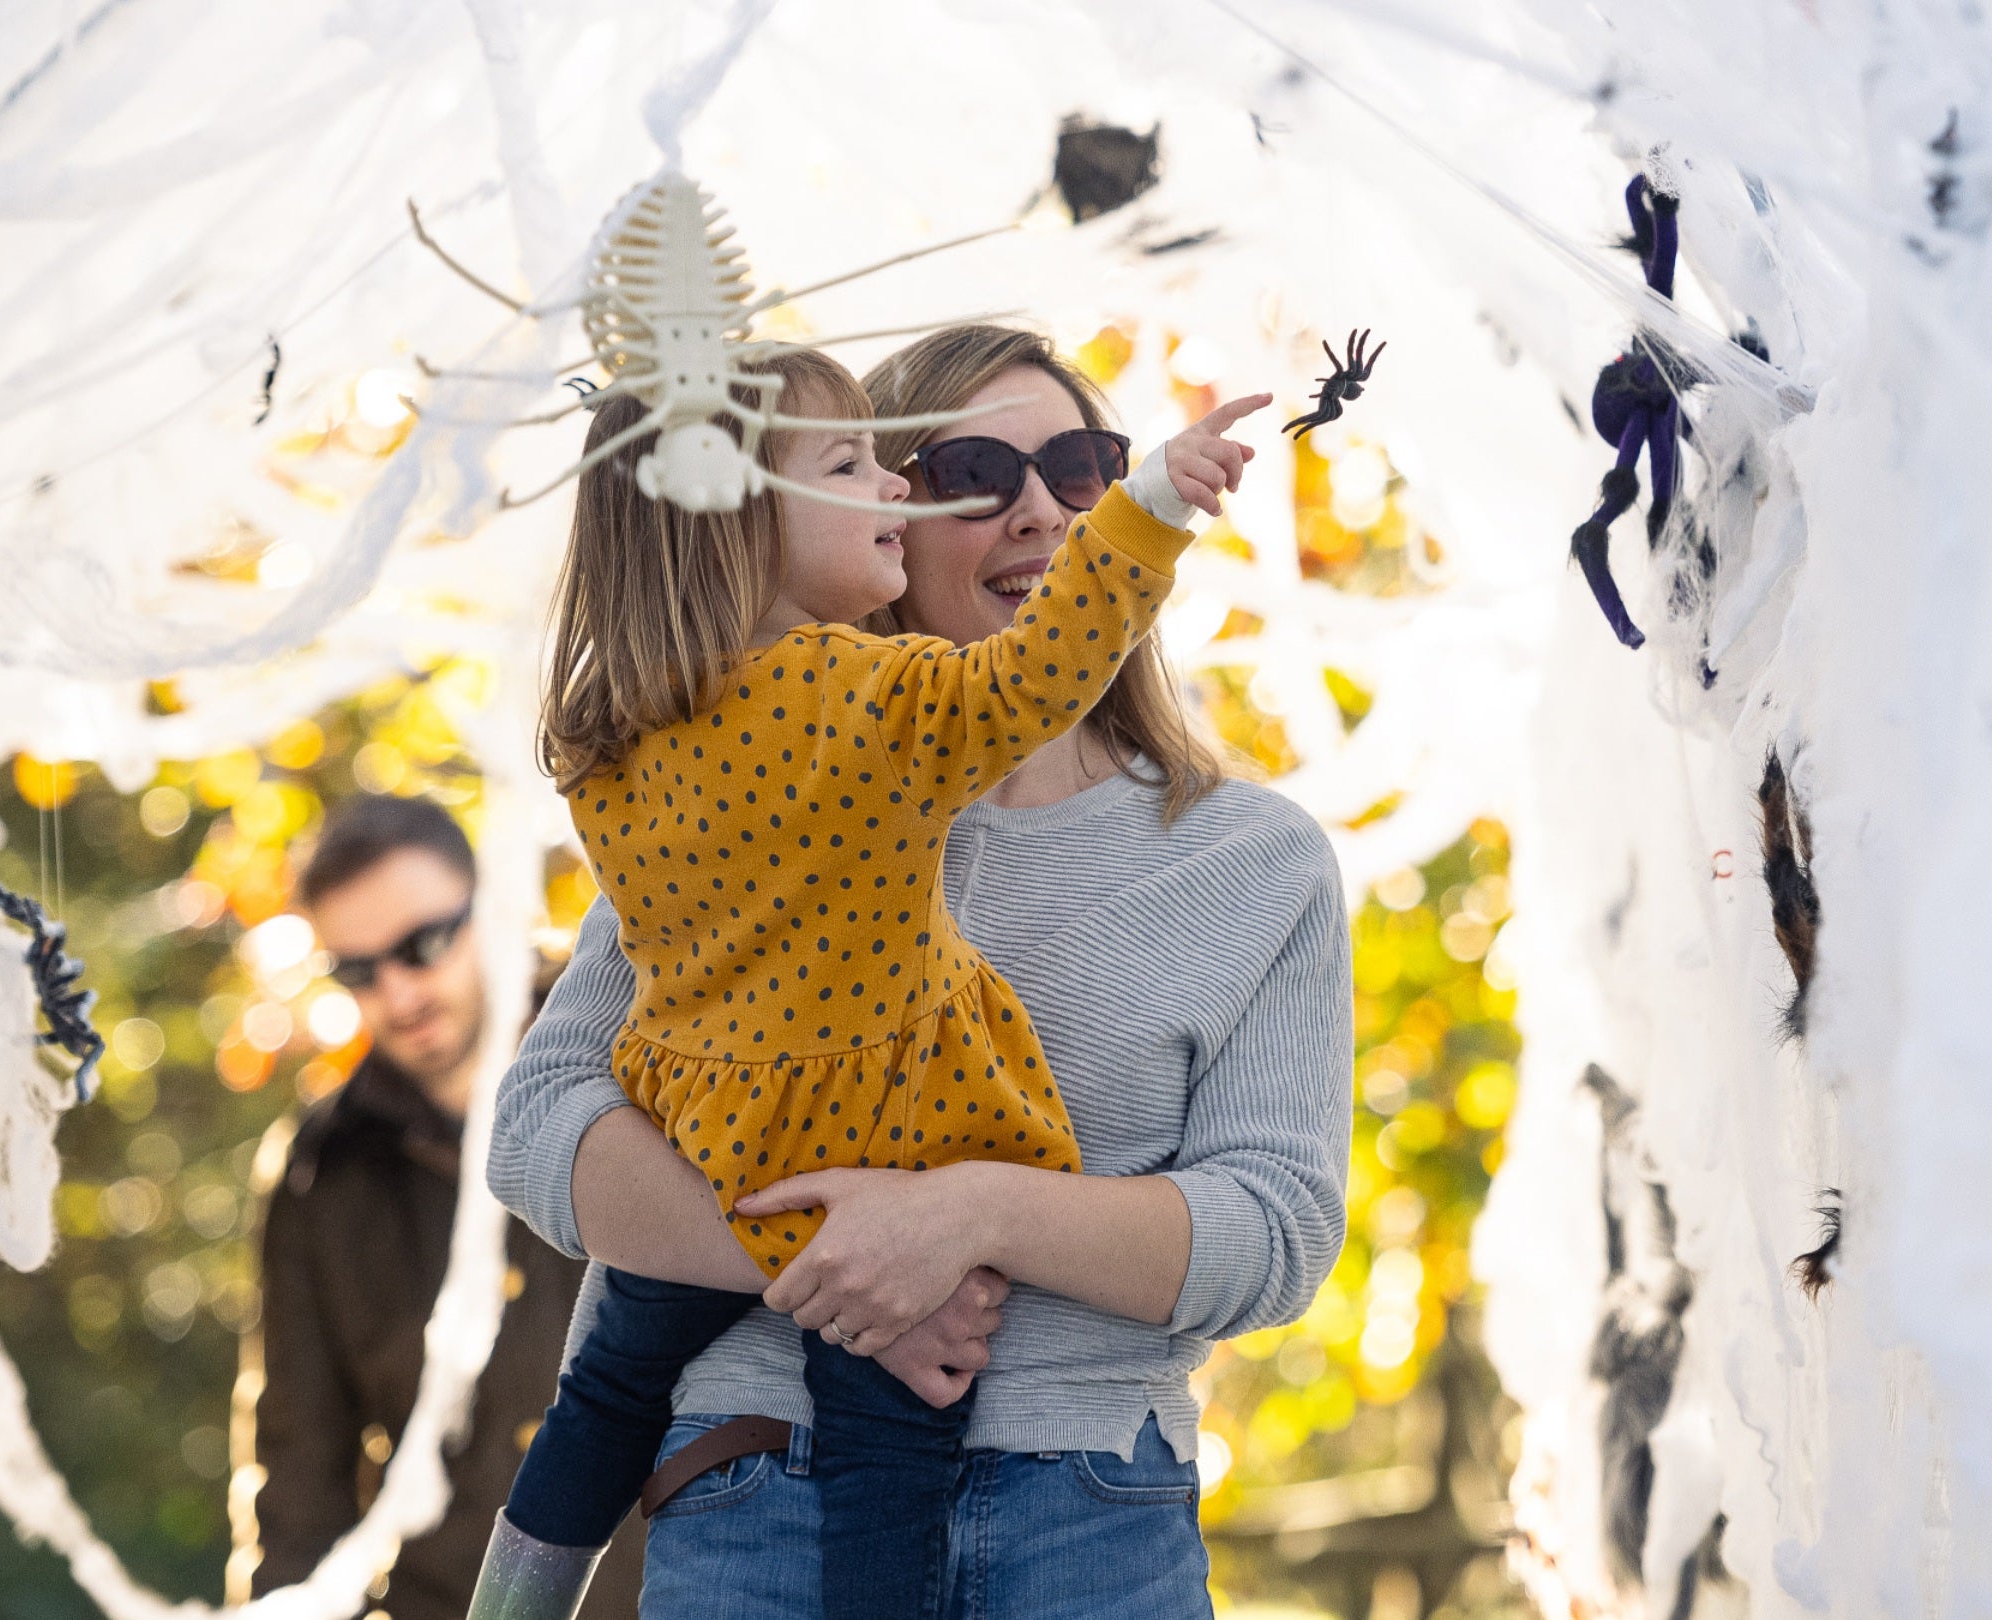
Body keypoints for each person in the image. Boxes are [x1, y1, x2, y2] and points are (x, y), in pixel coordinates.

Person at [490, 324, 1354, 1619]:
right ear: (849, 514)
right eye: (969, 470)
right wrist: (836, 1261)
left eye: (1083, 468)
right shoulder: (750, 800)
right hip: (755, 1491)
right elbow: (543, 1127)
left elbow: (1277, 1230)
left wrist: (973, 1218)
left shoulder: (1254, 859)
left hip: (1094, 1525)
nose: (1042, 511)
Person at [241, 794, 642, 1618]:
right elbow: (299, 1483)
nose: (398, 993)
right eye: (358, 971)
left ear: (492, 910)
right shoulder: (317, 1177)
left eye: (422, 946)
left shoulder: (648, 1066)